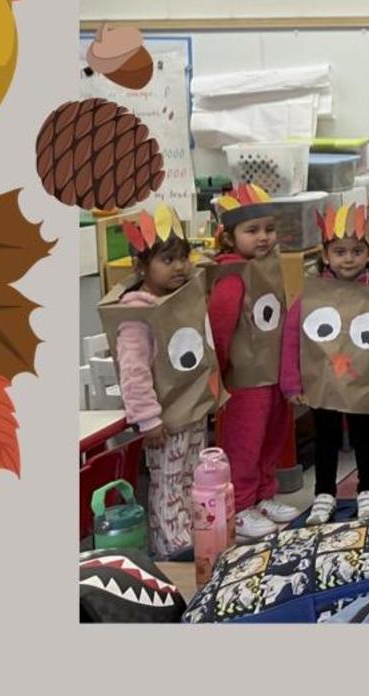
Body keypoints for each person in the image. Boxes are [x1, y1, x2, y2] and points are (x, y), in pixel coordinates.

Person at [281, 203, 369, 526]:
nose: (348, 259)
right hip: (323, 383)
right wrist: (292, 383)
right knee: (326, 437)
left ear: (368, 254)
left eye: (356, 251)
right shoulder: (310, 297)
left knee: (365, 436)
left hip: (363, 382)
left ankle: (368, 490)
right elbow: (293, 338)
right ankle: (324, 493)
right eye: (340, 252)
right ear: (325, 256)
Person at [104, 205, 214, 558]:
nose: (180, 266)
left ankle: (193, 535)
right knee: (168, 481)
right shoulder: (137, 313)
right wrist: (148, 419)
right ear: (142, 266)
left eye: (183, 257)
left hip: (192, 410)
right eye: (167, 260)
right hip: (164, 419)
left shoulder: (179, 299)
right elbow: (133, 372)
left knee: (192, 476)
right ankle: (172, 549)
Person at [205, 184, 299, 539]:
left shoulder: (266, 268)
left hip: (273, 373)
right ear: (229, 238)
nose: (263, 237)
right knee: (244, 443)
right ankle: (242, 504)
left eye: (269, 229)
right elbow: (220, 329)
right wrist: (220, 374)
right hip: (245, 381)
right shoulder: (232, 277)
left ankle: (263, 494)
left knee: (271, 437)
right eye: (252, 230)